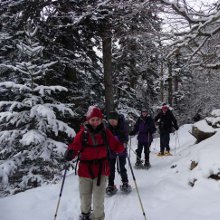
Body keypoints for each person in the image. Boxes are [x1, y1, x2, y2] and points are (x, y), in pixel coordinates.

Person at [64, 106, 125, 220]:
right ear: (88, 120)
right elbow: (75, 146)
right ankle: (85, 215)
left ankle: (98, 217)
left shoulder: (105, 132)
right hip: (85, 170)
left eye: (98, 120)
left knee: (98, 199)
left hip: (101, 170)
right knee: (85, 197)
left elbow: (114, 145)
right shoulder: (83, 133)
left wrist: (121, 147)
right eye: (93, 120)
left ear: (101, 120)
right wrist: (70, 152)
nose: (95, 122)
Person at [106, 111, 131, 195]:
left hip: (121, 151)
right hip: (111, 151)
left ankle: (125, 182)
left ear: (117, 120)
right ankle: (111, 185)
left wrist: (123, 143)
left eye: (113, 120)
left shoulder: (123, 126)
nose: (112, 122)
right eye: (110, 120)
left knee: (121, 168)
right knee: (111, 169)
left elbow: (126, 137)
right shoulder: (108, 127)